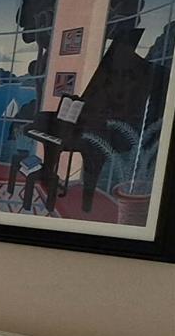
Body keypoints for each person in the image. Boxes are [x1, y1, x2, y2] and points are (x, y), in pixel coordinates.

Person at [21, 20, 153, 217]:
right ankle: (48, 177)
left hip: (86, 130)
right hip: (72, 130)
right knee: (53, 145)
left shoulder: (99, 127)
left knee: (88, 159)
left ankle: (86, 203)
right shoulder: (76, 115)